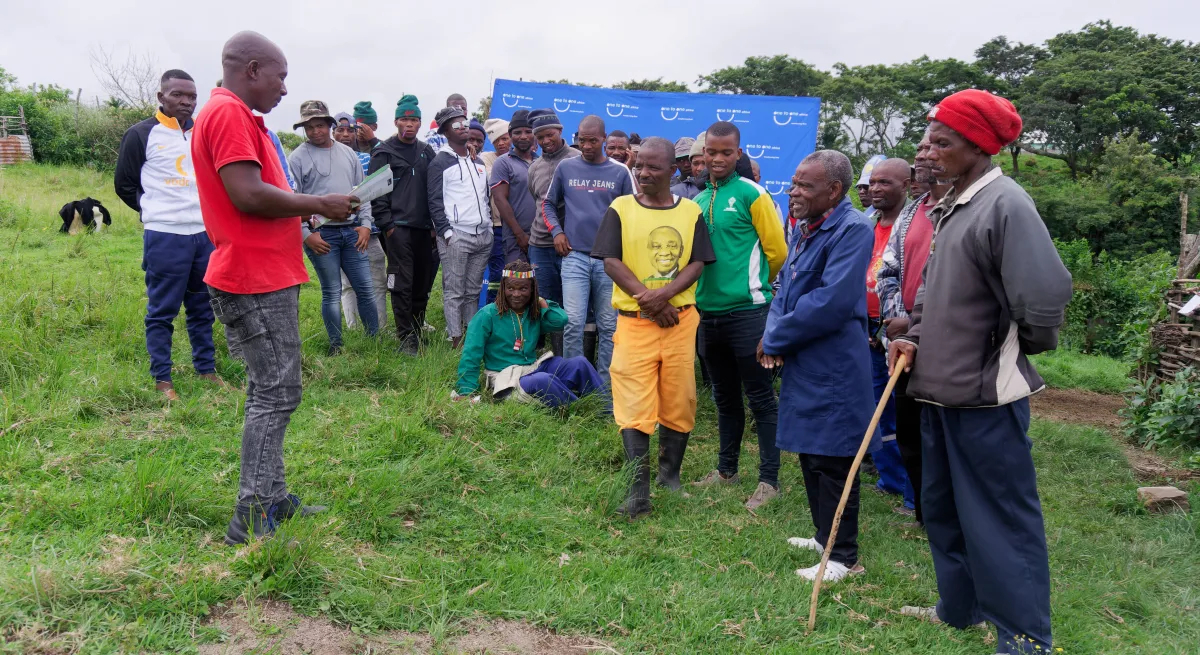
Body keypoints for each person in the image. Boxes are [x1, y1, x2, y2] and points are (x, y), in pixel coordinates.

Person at [890, 90, 1071, 654]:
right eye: (930, 141)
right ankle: (959, 609)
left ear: (978, 146)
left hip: (987, 399)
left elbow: (1044, 299)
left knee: (1000, 521)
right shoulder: (951, 203)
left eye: (943, 143)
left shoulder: (1006, 204)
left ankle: (1024, 637)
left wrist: (1005, 349)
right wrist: (915, 339)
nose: (929, 153)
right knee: (941, 511)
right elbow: (932, 300)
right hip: (936, 392)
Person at [193, 31, 352, 544]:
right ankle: (254, 511)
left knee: (272, 390)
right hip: (251, 278)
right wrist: (319, 204)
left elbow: (261, 191)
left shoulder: (237, 115)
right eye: (281, 76)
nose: (286, 88)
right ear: (253, 69)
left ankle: (273, 496)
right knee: (278, 393)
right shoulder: (228, 114)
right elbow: (247, 195)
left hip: (265, 273)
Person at [763, 150, 877, 582]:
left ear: (833, 190)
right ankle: (821, 536)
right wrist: (774, 332)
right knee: (811, 452)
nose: (794, 192)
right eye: (794, 183)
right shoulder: (806, 226)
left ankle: (843, 556)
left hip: (833, 362)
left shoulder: (852, 229)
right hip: (803, 355)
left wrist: (775, 337)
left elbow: (829, 303)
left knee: (834, 457)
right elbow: (785, 286)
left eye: (805, 186)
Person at [591, 137, 716, 519]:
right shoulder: (621, 208)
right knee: (633, 403)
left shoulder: (691, 211)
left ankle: (670, 475)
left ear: (673, 170)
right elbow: (611, 260)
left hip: (680, 321)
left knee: (680, 398)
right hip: (634, 322)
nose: (643, 173)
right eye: (638, 165)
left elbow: (697, 262)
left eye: (653, 167)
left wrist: (665, 296)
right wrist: (648, 297)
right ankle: (637, 491)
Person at [692, 121, 788, 510]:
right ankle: (726, 470)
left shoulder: (753, 194)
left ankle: (769, 481)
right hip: (706, 313)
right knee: (724, 397)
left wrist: (755, 286)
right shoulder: (695, 202)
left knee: (761, 398)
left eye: (726, 153)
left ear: (738, 153)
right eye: (711, 153)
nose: (717, 159)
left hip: (748, 312)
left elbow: (777, 251)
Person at [114, 69, 222, 401]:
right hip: (165, 237)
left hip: (203, 235)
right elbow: (125, 185)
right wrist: (157, 212)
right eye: (178, 95)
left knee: (203, 307)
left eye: (191, 96)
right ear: (161, 97)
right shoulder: (141, 134)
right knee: (162, 310)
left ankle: (206, 370)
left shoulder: (202, 133)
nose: (186, 102)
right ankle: (163, 380)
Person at [876, 135, 949, 527]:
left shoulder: (963, 208)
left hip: (944, 343)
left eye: (931, 149)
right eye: (918, 150)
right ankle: (921, 511)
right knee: (907, 430)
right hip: (904, 341)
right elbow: (887, 270)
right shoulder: (913, 213)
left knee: (940, 433)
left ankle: (943, 514)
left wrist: (921, 324)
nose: (923, 155)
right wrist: (899, 318)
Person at [543, 115, 636, 383]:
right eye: (581, 140)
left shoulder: (620, 172)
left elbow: (632, 213)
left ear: (604, 139)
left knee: (609, 325)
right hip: (574, 258)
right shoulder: (566, 168)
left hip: (610, 261)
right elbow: (548, 204)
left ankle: (605, 387)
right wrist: (557, 232)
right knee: (572, 322)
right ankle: (575, 381)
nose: (586, 145)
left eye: (592, 140)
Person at [288, 100, 378, 354]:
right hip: (321, 234)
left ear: (330, 125)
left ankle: (373, 343)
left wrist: (366, 226)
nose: (315, 131)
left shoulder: (348, 154)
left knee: (366, 289)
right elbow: (292, 201)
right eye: (309, 127)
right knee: (331, 291)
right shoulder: (296, 158)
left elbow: (364, 194)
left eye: (320, 125)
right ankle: (336, 346)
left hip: (352, 232)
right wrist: (306, 235)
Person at [454, 261, 602, 406]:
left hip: (533, 368)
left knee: (580, 363)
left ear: (533, 289)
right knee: (542, 380)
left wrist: (541, 301)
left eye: (523, 289)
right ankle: (579, 409)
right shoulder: (487, 315)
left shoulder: (533, 311)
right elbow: (471, 354)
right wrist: (466, 391)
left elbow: (560, 320)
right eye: (510, 288)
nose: (516, 294)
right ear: (503, 288)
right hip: (505, 377)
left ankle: (607, 409)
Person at [864, 158, 916, 509]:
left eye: (886, 182)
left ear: (907, 186)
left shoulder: (915, 225)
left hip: (900, 331)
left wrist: (894, 323)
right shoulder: (865, 225)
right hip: (864, 329)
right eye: (873, 182)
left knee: (906, 413)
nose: (876, 189)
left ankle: (915, 495)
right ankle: (890, 479)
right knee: (875, 408)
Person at [368, 94, 438, 355]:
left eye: (414, 120)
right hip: (397, 228)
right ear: (396, 121)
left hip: (423, 228)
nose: (409, 124)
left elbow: (434, 188)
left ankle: (417, 330)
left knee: (422, 282)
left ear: (420, 123)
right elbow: (375, 193)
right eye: (404, 120)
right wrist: (387, 225)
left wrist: (433, 224)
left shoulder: (425, 151)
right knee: (401, 283)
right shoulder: (384, 152)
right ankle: (405, 338)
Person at [428, 105, 492, 348]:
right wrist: (446, 232)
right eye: (457, 125)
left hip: (483, 235)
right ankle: (456, 339)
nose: (463, 128)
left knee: (473, 291)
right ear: (445, 130)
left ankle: (471, 337)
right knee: (454, 291)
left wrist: (487, 227)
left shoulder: (477, 160)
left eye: (465, 123)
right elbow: (434, 200)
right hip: (456, 235)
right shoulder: (440, 162)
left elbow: (485, 197)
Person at [526, 109, 580, 355]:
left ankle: (574, 357)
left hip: (573, 245)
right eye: (540, 137)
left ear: (560, 131)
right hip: (540, 244)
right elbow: (538, 200)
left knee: (574, 304)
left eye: (550, 135)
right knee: (547, 301)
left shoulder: (578, 159)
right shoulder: (534, 167)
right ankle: (553, 355)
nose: (546, 141)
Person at [491, 110, 538, 265]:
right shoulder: (503, 162)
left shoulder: (542, 162)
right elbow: (499, 198)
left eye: (528, 131)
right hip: (515, 238)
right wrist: (519, 235)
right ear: (510, 135)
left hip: (543, 237)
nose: (523, 136)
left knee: (541, 287)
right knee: (517, 285)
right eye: (517, 132)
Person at [475, 118, 508, 304]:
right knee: (497, 273)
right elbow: (492, 179)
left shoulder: (527, 157)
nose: (502, 143)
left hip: (521, 226)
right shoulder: (486, 158)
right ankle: (492, 312)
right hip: (496, 225)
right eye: (497, 141)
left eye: (505, 138)